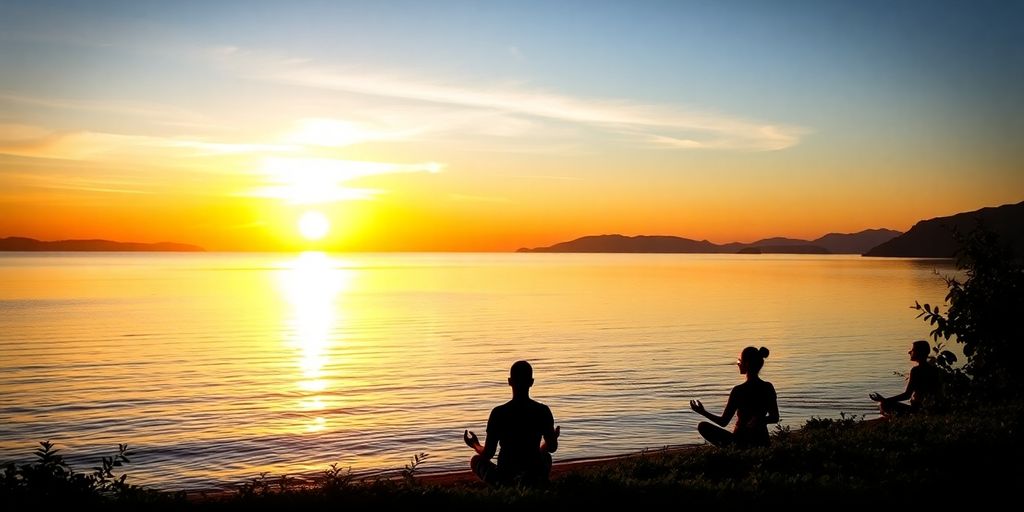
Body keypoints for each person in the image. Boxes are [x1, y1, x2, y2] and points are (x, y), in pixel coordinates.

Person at [463, 360, 560, 486]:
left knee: (476, 460)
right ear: (531, 382)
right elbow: (552, 447)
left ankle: (500, 486)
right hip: (533, 473)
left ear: (509, 381)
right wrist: (550, 439)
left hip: (505, 476)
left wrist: (474, 444)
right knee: (545, 456)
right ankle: (534, 482)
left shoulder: (499, 413)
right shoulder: (542, 411)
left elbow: (488, 454)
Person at [689, 346, 779, 448]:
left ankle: (731, 452)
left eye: (740, 361)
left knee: (703, 426)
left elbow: (723, 422)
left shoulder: (739, 390)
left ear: (747, 364)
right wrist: (760, 419)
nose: (738, 364)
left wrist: (703, 412)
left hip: (739, 443)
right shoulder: (768, 387)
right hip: (763, 442)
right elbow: (775, 417)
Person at [869, 339, 941, 417]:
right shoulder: (934, 370)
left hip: (918, 410)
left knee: (884, 404)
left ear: (919, 353)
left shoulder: (916, 370)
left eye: (912, 350)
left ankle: (904, 420)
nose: (909, 352)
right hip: (931, 409)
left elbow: (907, 395)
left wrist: (885, 400)